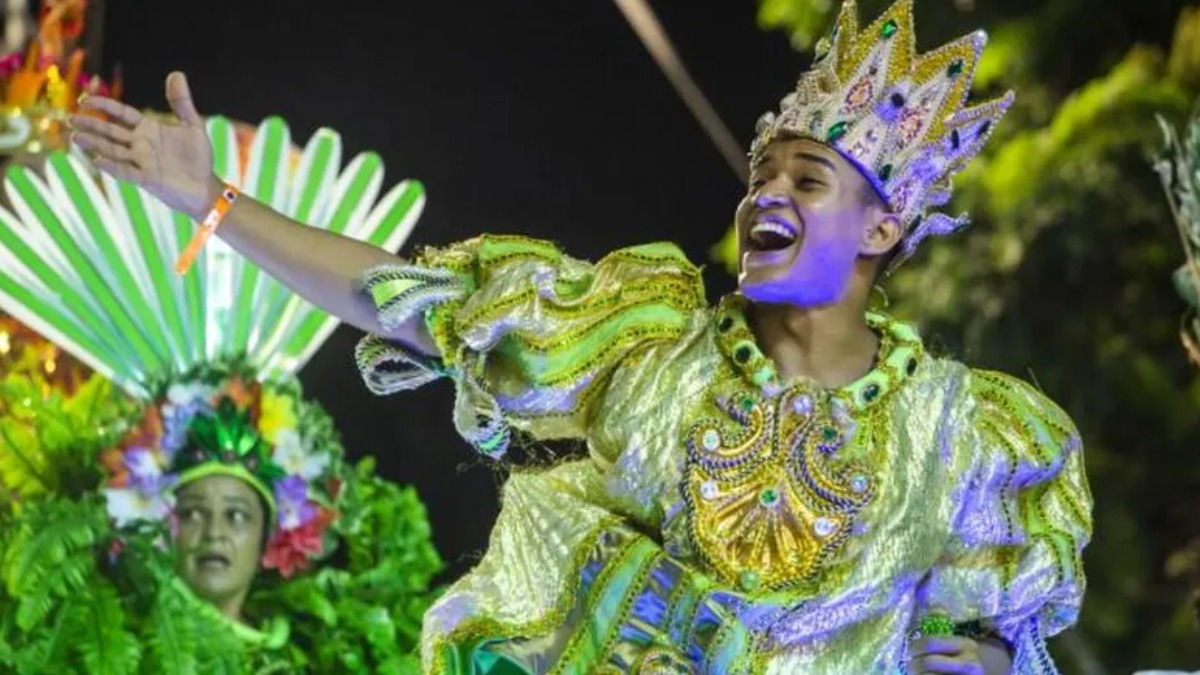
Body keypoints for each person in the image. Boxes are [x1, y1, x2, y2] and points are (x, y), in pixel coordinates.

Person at [68, 0, 1092, 672]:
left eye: (807, 178)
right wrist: (214, 202)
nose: (766, 194)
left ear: (881, 228)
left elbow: (985, 625)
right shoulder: (647, 340)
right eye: (762, 175)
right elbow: (406, 304)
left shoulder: (962, 434)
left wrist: (993, 658)